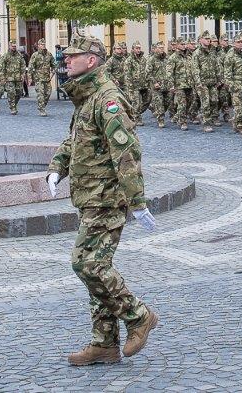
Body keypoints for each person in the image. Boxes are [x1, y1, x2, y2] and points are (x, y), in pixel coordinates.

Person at [46, 35, 158, 366]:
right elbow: (76, 139)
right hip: (91, 197)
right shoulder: (87, 96)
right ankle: (104, 343)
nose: (66, 60)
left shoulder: (108, 99)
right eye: (66, 56)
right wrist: (57, 167)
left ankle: (139, 316)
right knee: (97, 267)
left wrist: (137, 201)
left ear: (91, 60)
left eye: (73, 56)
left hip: (107, 198)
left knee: (87, 264)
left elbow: (126, 153)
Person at [193, 32, 223, 133]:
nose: (208, 40)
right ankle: (206, 123)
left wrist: (219, 79)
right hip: (202, 83)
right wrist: (198, 83)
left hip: (212, 82)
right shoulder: (197, 53)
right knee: (205, 103)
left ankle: (212, 117)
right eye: (206, 39)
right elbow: (195, 69)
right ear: (201, 40)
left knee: (214, 101)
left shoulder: (212, 52)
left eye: (209, 39)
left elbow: (217, 66)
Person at [27, 39, 55, 117]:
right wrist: (30, 78)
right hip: (38, 79)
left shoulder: (49, 54)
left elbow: (54, 64)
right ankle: (42, 109)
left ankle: (41, 106)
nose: (43, 45)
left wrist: (53, 72)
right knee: (41, 94)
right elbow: (30, 67)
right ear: (38, 45)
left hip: (47, 79)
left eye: (44, 44)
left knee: (48, 93)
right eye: (42, 44)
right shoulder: (35, 55)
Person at [1, 43, 26, 115]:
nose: (14, 47)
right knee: (11, 92)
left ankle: (13, 104)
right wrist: (3, 77)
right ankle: (12, 108)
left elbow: (23, 65)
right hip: (9, 78)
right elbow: (1, 66)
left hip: (18, 78)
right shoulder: (6, 56)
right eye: (12, 46)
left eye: (15, 46)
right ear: (10, 46)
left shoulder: (19, 55)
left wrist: (23, 74)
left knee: (19, 93)